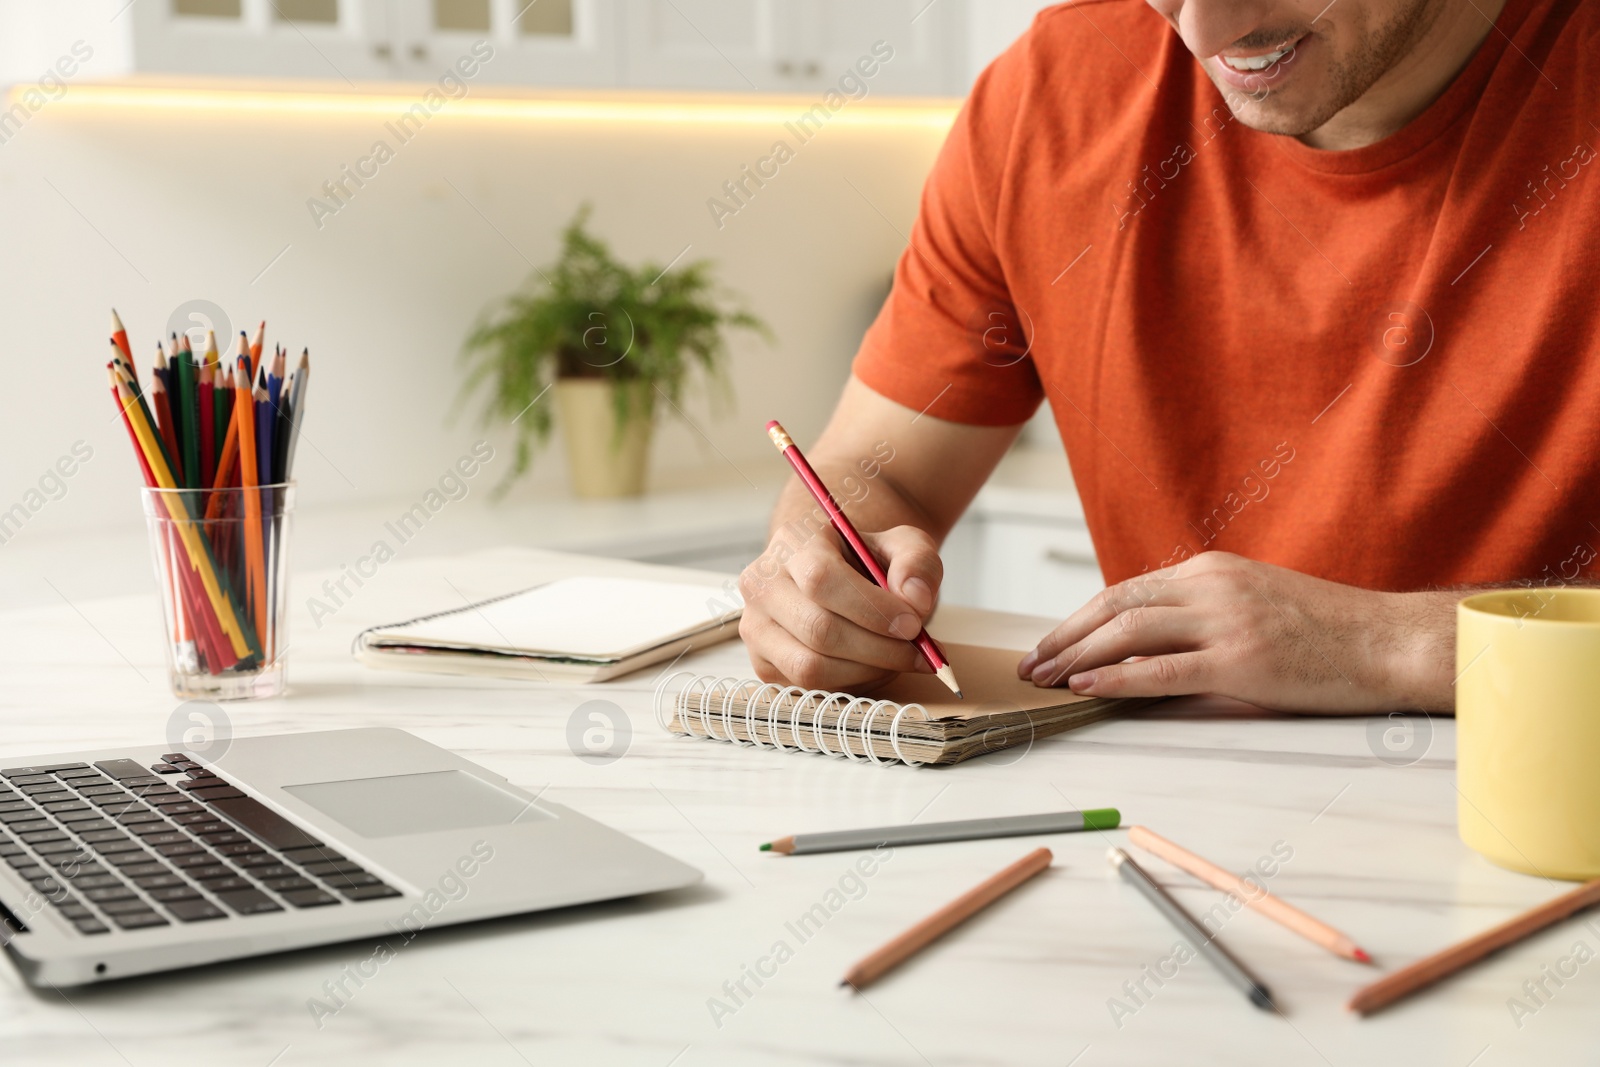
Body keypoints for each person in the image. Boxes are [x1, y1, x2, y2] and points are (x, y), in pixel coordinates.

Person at [737, 0, 1600, 713]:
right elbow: (879, 474)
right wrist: (818, 565)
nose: (1204, 29)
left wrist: (1380, 644)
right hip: (1160, 829)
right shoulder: (1051, 97)